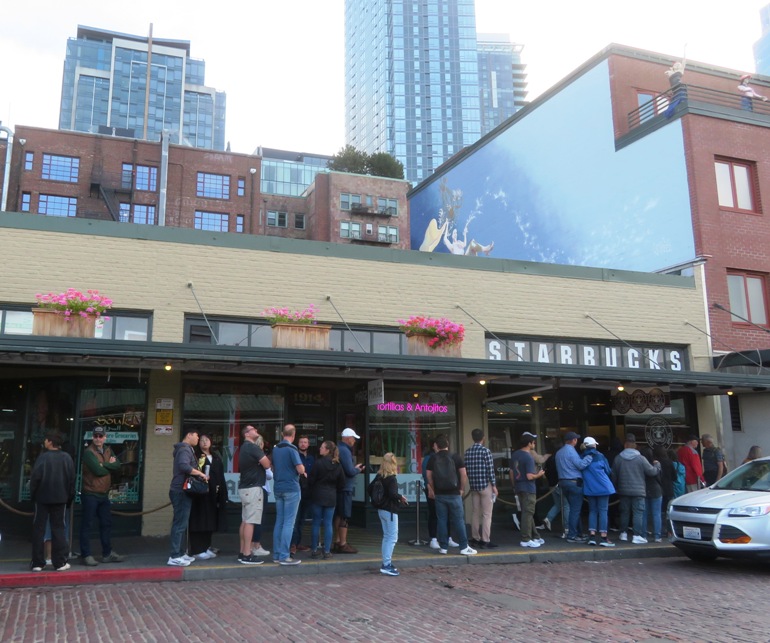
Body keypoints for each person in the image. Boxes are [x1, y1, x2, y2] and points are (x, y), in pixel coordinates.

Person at [79, 425, 125, 566]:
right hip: (90, 494)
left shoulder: (108, 450)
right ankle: (86, 554)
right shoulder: (88, 452)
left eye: (100, 436)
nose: (98, 439)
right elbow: (97, 471)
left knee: (106, 524)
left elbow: (117, 465)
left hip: (104, 494)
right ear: (93, 437)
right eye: (95, 436)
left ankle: (107, 553)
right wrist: (107, 465)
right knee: (87, 525)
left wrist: (102, 464)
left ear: (105, 437)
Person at [30, 431, 76, 572]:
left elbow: (35, 479)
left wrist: (34, 495)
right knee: (59, 529)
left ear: (50, 442)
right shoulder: (66, 458)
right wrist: (69, 498)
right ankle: (59, 562)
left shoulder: (42, 458)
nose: (44, 442)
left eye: (46, 440)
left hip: (42, 498)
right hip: (60, 498)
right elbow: (71, 480)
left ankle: (38, 562)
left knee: (39, 529)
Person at [425, 435, 476, 556]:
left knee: (441, 520)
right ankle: (464, 546)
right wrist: (461, 489)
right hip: (454, 493)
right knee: (459, 520)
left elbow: (428, 476)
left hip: (440, 494)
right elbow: (463, 474)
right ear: (447, 445)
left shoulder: (432, 458)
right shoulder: (455, 457)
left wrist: (433, 488)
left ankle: (443, 547)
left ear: (436, 446)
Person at [168, 429, 208, 567]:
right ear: (189, 435)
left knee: (182, 523)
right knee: (179, 524)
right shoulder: (184, 449)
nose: (198, 439)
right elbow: (183, 466)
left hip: (181, 490)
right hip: (181, 490)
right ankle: (174, 555)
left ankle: (179, 553)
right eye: (197, 435)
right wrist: (201, 474)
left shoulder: (186, 449)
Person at [611, 435, 661, 544]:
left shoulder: (618, 458)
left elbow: (613, 475)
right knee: (638, 513)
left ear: (625, 445)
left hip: (623, 490)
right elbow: (651, 472)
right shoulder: (640, 458)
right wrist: (657, 465)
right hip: (639, 491)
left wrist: (615, 488)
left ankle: (623, 534)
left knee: (624, 512)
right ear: (635, 445)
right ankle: (636, 536)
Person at [188, 434, 228, 560]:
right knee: (199, 521)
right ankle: (196, 549)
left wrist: (222, 493)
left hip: (213, 494)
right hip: (200, 494)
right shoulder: (196, 456)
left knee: (210, 521)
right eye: (202, 440)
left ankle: (205, 547)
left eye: (207, 440)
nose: (205, 442)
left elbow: (221, 476)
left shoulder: (216, 457)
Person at [271, 424, 305, 566]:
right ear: (293, 434)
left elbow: (273, 467)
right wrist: (302, 469)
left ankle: (277, 554)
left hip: (278, 487)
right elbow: (300, 468)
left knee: (279, 521)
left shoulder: (276, 449)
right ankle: (285, 556)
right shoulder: (292, 449)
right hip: (291, 488)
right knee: (289, 523)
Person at [237, 425, 271, 565]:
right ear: (247, 434)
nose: (256, 431)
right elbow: (267, 464)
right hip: (253, 488)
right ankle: (247, 554)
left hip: (245, 488)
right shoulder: (252, 447)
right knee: (251, 521)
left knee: (245, 520)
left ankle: (242, 551)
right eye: (253, 430)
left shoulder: (244, 448)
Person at [308, 441, 346, 560]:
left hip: (318, 495)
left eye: (322, 447)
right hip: (331, 496)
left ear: (327, 450)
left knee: (316, 523)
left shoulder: (318, 463)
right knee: (328, 523)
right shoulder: (338, 465)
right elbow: (342, 483)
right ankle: (327, 551)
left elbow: (311, 480)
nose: (320, 448)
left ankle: (314, 550)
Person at [555, 431, 593, 543]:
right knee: (575, 510)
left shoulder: (559, 452)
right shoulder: (571, 451)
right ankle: (572, 535)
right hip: (574, 483)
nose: (577, 440)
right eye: (576, 439)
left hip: (563, 482)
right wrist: (589, 457)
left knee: (574, 510)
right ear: (573, 440)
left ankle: (579, 533)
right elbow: (580, 465)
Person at [509, 432, 545, 548]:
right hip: (528, 487)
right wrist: (539, 474)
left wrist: (514, 486)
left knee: (527, 512)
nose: (534, 444)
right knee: (528, 513)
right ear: (529, 443)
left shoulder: (515, 455)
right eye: (533, 442)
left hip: (519, 486)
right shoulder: (528, 457)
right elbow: (530, 476)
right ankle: (526, 538)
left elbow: (511, 472)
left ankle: (536, 536)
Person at [464, 428, 499, 549]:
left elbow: (466, 470)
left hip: (474, 485)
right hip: (485, 485)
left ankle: (475, 537)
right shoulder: (486, 451)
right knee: (486, 514)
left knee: (475, 513)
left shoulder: (467, 452)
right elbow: (490, 470)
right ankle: (485, 539)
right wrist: (494, 486)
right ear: (483, 438)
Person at [333, 427, 365, 554]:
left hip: (340, 487)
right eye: (353, 438)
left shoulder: (338, 449)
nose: (354, 441)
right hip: (345, 488)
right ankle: (343, 543)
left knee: (338, 515)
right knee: (344, 516)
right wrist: (358, 469)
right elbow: (350, 471)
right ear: (347, 438)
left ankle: (338, 540)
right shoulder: (345, 451)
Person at [376, 452, 408, 576]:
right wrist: (401, 497)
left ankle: (386, 562)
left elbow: (369, 488)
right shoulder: (392, 478)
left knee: (387, 537)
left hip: (381, 509)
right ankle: (386, 564)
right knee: (392, 537)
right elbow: (393, 494)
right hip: (389, 510)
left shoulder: (379, 476)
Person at [581, 436, 616, 547]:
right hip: (603, 487)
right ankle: (603, 537)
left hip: (590, 487)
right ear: (594, 445)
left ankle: (592, 536)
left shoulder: (582, 457)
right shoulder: (600, 456)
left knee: (592, 511)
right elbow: (608, 471)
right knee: (603, 511)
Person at [291, 434, 315, 554]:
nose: (303, 444)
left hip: (308, 493)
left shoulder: (311, 458)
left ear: (308, 444)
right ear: (298, 444)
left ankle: (298, 542)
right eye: (301, 442)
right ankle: (292, 544)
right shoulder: (295, 456)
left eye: (305, 442)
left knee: (302, 519)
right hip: (296, 490)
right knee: (294, 519)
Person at [640, 446, 663, 543]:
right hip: (656, 489)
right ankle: (657, 536)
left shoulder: (640, 464)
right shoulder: (656, 464)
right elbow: (659, 477)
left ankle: (643, 535)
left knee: (644, 514)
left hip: (644, 489)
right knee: (656, 514)